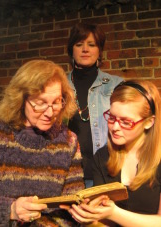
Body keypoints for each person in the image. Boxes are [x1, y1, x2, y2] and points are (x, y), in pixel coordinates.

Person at [0, 59, 85, 227]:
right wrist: (10, 210)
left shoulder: (68, 141)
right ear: (21, 99)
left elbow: (69, 209)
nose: (50, 113)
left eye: (56, 102)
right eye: (40, 103)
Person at [63, 80, 161, 227]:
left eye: (126, 122)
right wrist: (89, 216)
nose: (115, 127)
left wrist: (114, 213)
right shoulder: (102, 157)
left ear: (149, 122)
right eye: (112, 117)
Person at [67, 22, 123, 188]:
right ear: (71, 50)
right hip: (68, 173)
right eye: (79, 44)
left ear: (99, 51)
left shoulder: (116, 85)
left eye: (91, 45)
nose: (85, 49)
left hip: (105, 171)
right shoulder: (58, 85)